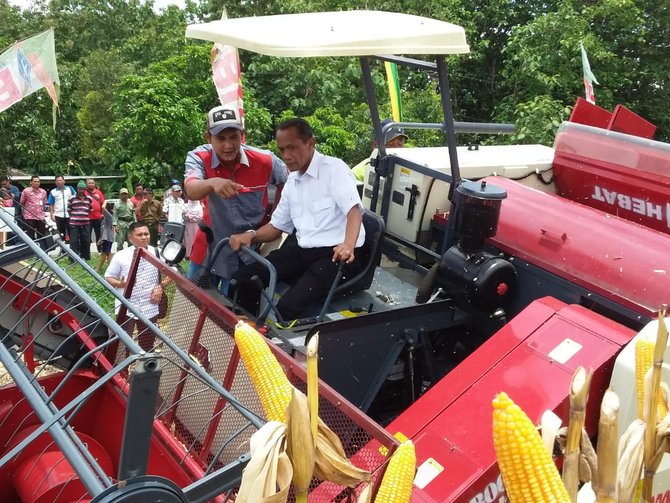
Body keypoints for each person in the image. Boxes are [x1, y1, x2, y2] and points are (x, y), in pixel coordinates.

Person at [229, 118, 365, 321]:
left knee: (287, 308)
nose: (286, 156)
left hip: (338, 255)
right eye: (282, 150)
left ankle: (284, 349)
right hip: (304, 251)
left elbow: (353, 212)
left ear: (310, 143)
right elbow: (277, 226)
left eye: (292, 148)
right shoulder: (293, 180)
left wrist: (347, 245)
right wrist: (251, 235)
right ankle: (245, 333)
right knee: (241, 280)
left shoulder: (334, 170)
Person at [184, 105, 288, 293]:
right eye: (221, 138)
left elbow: (289, 183)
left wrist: (276, 218)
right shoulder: (199, 157)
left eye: (234, 137)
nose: (228, 145)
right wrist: (212, 183)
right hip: (208, 250)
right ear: (208, 138)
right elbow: (191, 189)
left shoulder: (266, 160)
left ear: (243, 135)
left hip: (247, 253)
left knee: (233, 317)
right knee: (191, 307)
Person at [105, 221, 170, 351]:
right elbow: (109, 277)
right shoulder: (121, 256)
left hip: (149, 306)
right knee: (123, 344)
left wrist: (160, 287)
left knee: (147, 343)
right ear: (130, 238)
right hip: (126, 305)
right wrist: (121, 284)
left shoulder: (157, 253)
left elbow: (172, 272)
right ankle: (122, 369)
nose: (144, 237)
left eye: (146, 234)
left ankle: (144, 367)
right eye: (139, 234)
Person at [19, 175, 48, 247]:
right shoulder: (26, 191)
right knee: (30, 235)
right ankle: (30, 251)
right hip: (29, 216)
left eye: (38, 181)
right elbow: (22, 202)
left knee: (41, 235)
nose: (37, 183)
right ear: (31, 182)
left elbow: (44, 203)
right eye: (35, 181)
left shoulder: (43, 192)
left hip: (40, 216)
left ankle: (43, 250)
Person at [68, 180, 93, 260]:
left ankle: (85, 257)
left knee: (86, 241)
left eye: (83, 189)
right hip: (74, 223)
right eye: (79, 189)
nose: (81, 191)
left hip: (85, 223)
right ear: (77, 189)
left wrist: (83, 215)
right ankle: (73, 258)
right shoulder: (72, 198)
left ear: (85, 189)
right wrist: (75, 217)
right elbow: (69, 210)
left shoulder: (89, 198)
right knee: (74, 241)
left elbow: (90, 209)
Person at [48, 175, 76, 241]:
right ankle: (62, 250)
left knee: (72, 232)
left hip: (70, 215)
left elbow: (75, 199)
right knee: (60, 233)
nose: (59, 182)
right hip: (58, 215)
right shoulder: (53, 192)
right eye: (57, 181)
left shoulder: (70, 189)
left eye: (60, 180)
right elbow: (51, 204)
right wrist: (52, 214)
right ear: (55, 182)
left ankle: (73, 249)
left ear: (64, 181)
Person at [86, 178, 105, 251]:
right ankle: (87, 250)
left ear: (94, 184)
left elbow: (103, 202)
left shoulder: (98, 192)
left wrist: (103, 213)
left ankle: (99, 249)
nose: (91, 184)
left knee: (99, 234)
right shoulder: (84, 192)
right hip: (88, 218)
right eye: (89, 183)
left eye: (92, 183)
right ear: (87, 184)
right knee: (87, 234)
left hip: (98, 217)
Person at [96, 201, 115, 273]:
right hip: (106, 238)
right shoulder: (105, 217)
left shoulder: (109, 216)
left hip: (108, 238)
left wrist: (105, 201)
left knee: (104, 253)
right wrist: (101, 238)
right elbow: (103, 230)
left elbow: (103, 207)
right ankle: (112, 268)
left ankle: (98, 269)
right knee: (108, 253)